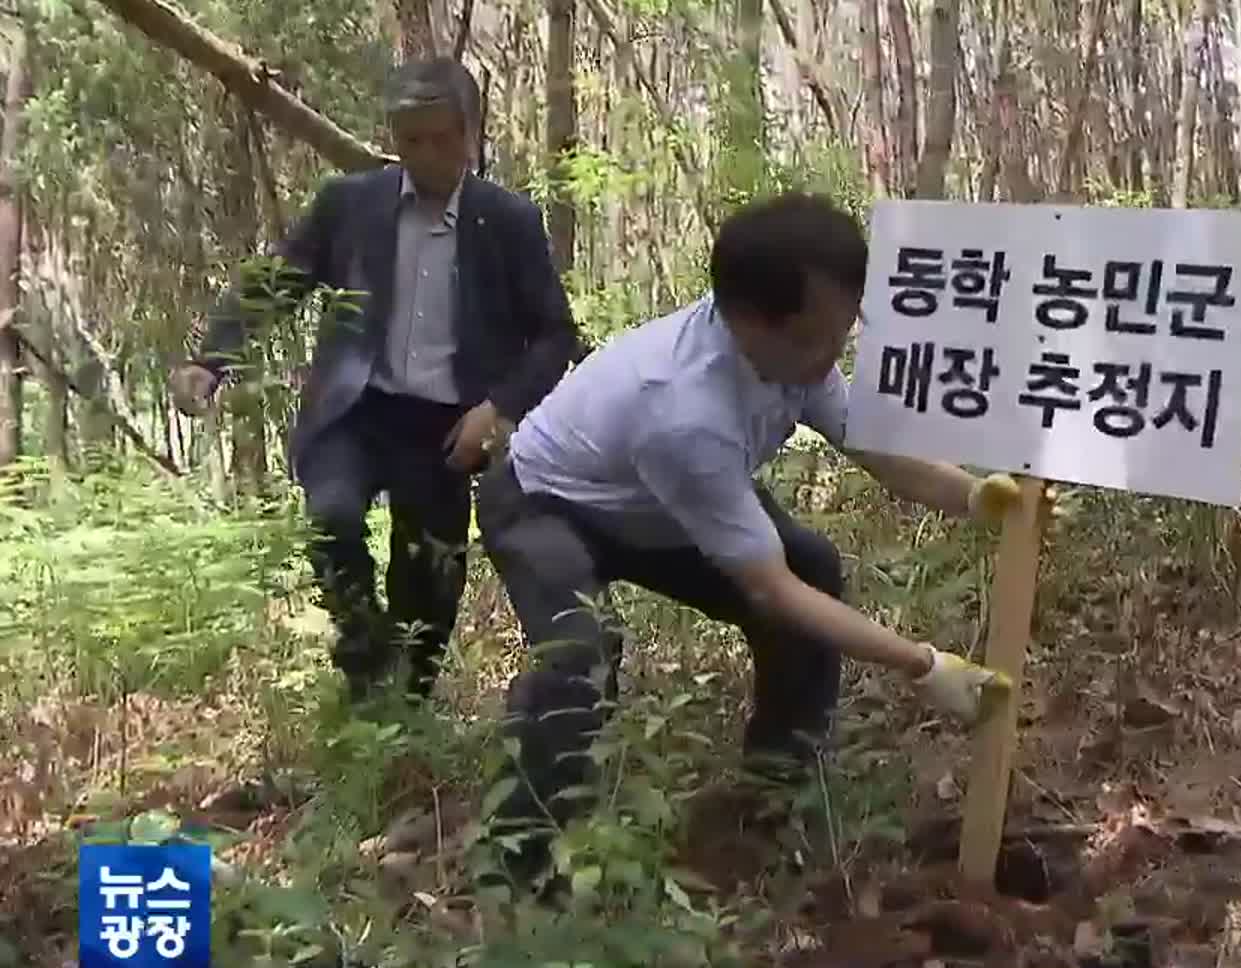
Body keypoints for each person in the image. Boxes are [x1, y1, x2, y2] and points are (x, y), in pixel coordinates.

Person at [475, 191, 1021, 890]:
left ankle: (773, 791)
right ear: (748, 322)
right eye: (816, 339)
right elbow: (770, 589)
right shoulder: (684, 412)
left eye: (842, 333)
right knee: (577, 652)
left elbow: (872, 447)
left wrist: (972, 496)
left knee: (813, 563)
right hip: (546, 501)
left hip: (655, 506)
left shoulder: (795, 351)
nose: (831, 356)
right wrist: (923, 664)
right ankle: (521, 862)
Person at [168, 57, 583, 704]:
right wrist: (210, 360)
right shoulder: (350, 204)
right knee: (330, 520)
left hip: (446, 425)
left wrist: (498, 409)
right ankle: (364, 667)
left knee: (430, 579)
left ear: (471, 135)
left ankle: (409, 707)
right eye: (410, 139)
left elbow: (555, 332)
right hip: (355, 411)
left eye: (442, 138)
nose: (426, 155)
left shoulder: (508, 221)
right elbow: (278, 281)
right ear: (393, 138)